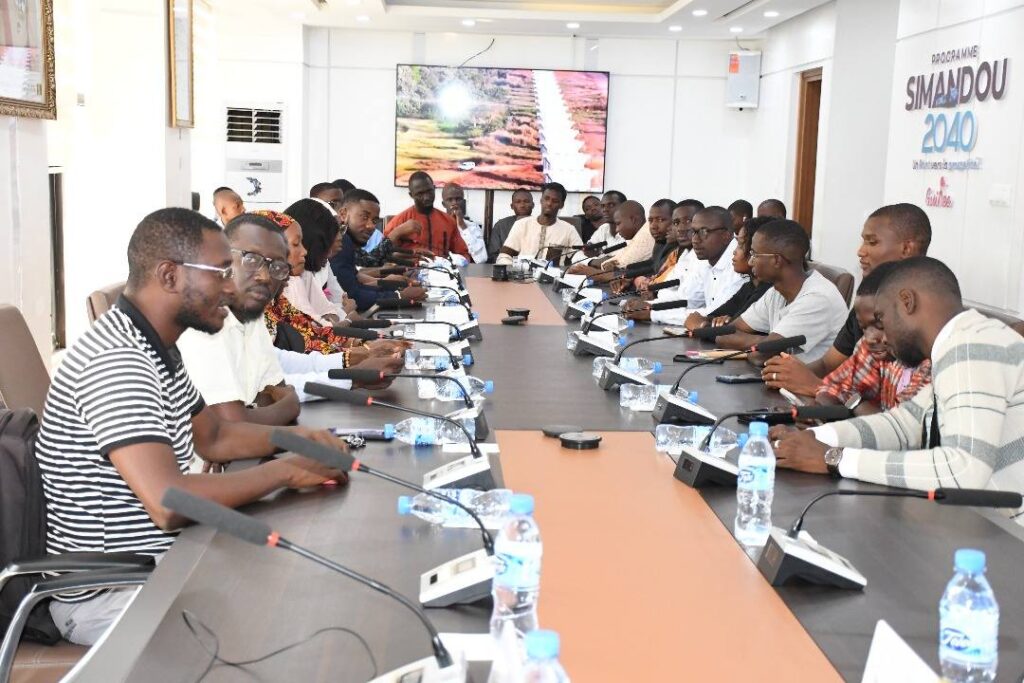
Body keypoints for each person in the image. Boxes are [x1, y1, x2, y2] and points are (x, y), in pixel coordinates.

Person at [34, 208, 347, 646]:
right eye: (220, 273)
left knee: (295, 584)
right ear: (169, 275)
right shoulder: (117, 362)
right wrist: (286, 471)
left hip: (163, 562)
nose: (230, 286)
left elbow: (215, 436)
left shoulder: (156, 345)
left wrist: (299, 439)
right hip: (110, 591)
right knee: (273, 624)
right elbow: (169, 501)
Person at [771, 257, 1024, 520]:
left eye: (881, 319)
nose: (882, 335)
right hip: (979, 523)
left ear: (907, 301)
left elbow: (962, 470)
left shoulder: (970, 347)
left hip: (1009, 534)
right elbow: (903, 424)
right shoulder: (960, 343)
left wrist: (834, 458)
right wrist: (815, 437)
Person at [178, 214, 400, 425]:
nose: (264, 276)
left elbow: (277, 372)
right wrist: (350, 374)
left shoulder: (249, 314)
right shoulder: (205, 326)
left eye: (277, 266)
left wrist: (351, 365)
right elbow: (233, 423)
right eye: (251, 259)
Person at [761, 203, 932, 393]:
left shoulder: (923, 320)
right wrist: (788, 375)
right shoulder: (868, 303)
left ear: (906, 249)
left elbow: (887, 405)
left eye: (872, 242)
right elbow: (828, 365)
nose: (861, 251)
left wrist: (817, 387)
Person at [715, 219, 848, 363]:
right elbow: (724, 335)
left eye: (754, 254)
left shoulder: (818, 298)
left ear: (777, 260)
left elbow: (761, 355)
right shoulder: (776, 292)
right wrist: (767, 342)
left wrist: (766, 346)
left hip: (813, 377)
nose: (750, 261)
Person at [813, 262, 931, 415]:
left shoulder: (930, 362)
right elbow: (832, 387)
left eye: (879, 325)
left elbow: (899, 424)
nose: (869, 338)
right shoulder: (876, 348)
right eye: (863, 328)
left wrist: (855, 403)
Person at [623, 206, 747, 325]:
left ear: (726, 235)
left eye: (703, 232)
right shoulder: (706, 259)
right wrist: (648, 306)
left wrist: (652, 313)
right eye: (694, 232)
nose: (695, 240)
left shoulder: (739, 265)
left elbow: (713, 314)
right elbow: (690, 300)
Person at [332, 190, 427, 311]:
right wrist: (398, 296)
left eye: (374, 221)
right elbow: (353, 295)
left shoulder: (347, 241)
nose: (371, 226)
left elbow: (357, 284)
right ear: (343, 214)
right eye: (364, 217)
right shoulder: (341, 242)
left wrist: (392, 288)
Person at [685, 215, 776, 330]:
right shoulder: (749, 286)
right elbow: (715, 316)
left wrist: (702, 326)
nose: (734, 251)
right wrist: (715, 322)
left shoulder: (767, 289)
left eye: (741, 245)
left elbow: (732, 330)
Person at [384, 171, 470, 260]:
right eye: (420, 194)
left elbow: (463, 254)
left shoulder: (448, 221)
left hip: (443, 267)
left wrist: (459, 262)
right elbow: (382, 254)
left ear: (434, 188)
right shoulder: (399, 222)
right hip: (410, 267)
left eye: (429, 191)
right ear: (411, 195)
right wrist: (398, 232)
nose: (426, 197)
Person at [495, 182, 582, 265]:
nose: (549, 203)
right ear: (541, 200)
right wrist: (512, 270)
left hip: (553, 275)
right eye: (546, 199)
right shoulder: (521, 224)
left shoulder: (568, 230)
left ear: (561, 205)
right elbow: (504, 256)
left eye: (555, 201)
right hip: (523, 274)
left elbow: (579, 256)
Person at [567, 200, 652, 278]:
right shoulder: (636, 235)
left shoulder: (646, 234)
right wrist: (602, 265)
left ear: (633, 220)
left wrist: (591, 272)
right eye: (603, 206)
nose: (617, 230)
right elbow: (612, 264)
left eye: (618, 224)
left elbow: (621, 268)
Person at [441, 182, 487, 263]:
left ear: (463, 202)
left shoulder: (473, 227)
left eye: (458, 199)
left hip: (468, 269)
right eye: (450, 200)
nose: (454, 203)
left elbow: (481, 259)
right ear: (444, 204)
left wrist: (463, 226)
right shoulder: (437, 225)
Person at [488, 189, 534, 262]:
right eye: (518, 202)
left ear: (533, 205)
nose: (522, 205)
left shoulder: (541, 225)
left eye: (526, 201)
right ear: (512, 206)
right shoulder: (500, 225)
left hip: (536, 268)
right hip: (507, 267)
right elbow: (493, 255)